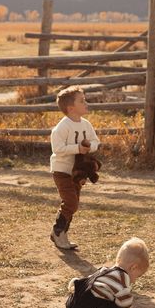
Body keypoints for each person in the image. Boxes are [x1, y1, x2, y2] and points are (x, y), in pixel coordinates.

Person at [65, 237, 149, 308]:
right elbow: (125, 304)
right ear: (133, 267)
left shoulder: (104, 271)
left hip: (73, 304)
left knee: (95, 300)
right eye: (137, 276)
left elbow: (88, 285)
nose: (134, 281)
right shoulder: (122, 279)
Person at [50, 86, 100, 250]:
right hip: (62, 171)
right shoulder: (62, 127)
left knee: (73, 204)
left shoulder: (86, 125)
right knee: (71, 202)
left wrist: (88, 147)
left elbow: (95, 141)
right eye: (82, 100)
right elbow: (57, 149)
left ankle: (62, 234)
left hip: (79, 171)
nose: (86, 103)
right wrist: (77, 148)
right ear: (71, 108)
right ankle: (58, 231)